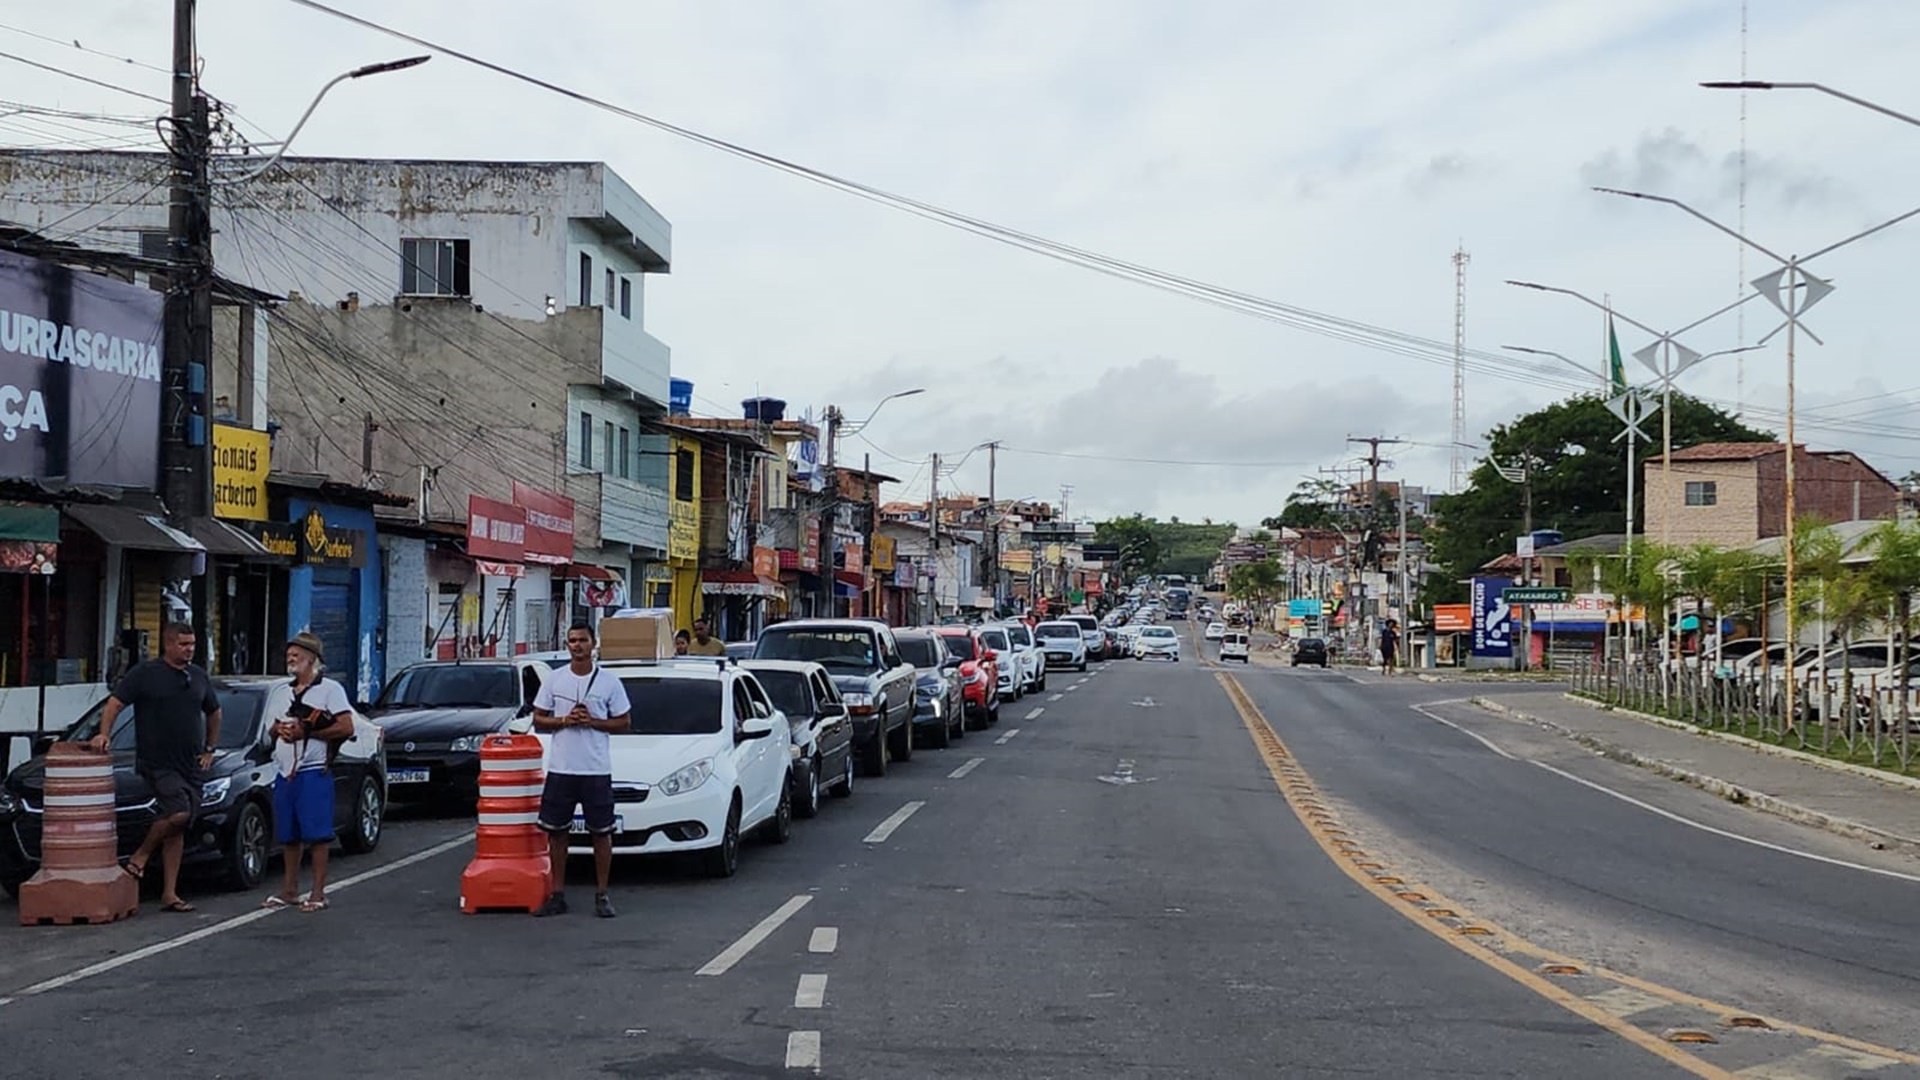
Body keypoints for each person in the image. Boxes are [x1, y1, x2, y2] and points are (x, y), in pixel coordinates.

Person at [87, 622, 221, 913]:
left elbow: (214, 711)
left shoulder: (197, 676)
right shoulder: (145, 674)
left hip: (191, 764)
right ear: (169, 644)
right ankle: (141, 855)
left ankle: (170, 894)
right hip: (158, 763)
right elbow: (115, 704)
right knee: (179, 812)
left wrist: (210, 749)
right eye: (184, 644)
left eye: (193, 644)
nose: (189, 650)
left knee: (180, 826)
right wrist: (104, 733)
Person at [532, 620, 632, 918]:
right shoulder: (554, 680)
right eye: (572, 641)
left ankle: (602, 895)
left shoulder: (609, 682)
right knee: (557, 833)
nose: (577, 645)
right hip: (562, 768)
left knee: (601, 833)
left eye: (583, 640)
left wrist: (593, 722)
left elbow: (624, 722)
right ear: (567, 645)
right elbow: (539, 719)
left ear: (593, 644)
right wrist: (564, 721)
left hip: (595, 769)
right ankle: (557, 894)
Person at [262, 632, 354, 913]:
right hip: (285, 771)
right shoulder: (282, 692)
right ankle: (289, 890)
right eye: (289, 656)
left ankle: (318, 892)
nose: (291, 660)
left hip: (313, 770)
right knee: (289, 834)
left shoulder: (330, 690)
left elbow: (346, 727)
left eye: (296, 656)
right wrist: (279, 730)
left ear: (312, 659)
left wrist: (309, 731)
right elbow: (270, 730)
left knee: (317, 834)